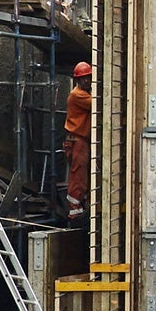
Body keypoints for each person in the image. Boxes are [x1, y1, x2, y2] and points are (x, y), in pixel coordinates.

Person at [62, 61, 93, 213]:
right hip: (77, 141)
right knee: (78, 176)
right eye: (83, 78)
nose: (86, 81)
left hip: (80, 141)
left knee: (83, 175)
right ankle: (74, 209)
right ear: (77, 80)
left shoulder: (83, 93)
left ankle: (81, 205)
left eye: (88, 77)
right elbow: (97, 104)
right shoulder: (77, 95)